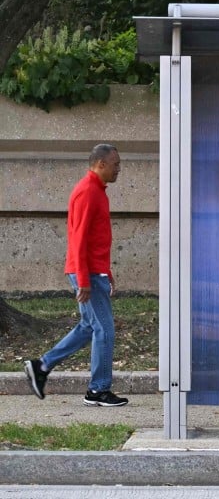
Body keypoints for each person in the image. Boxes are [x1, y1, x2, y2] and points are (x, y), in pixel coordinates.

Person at [24, 144, 129, 407]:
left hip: (94, 271)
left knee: (88, 326)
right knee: (105, 329)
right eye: (116, 164)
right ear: (101, 164)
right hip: (87, 273)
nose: (119, 169)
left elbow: (95, 239)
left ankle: (41, 366)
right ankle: (98, 390)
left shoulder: (97, 191)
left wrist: (106, 271)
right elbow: (78, 239)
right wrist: (84, 279)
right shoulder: (88, 192)